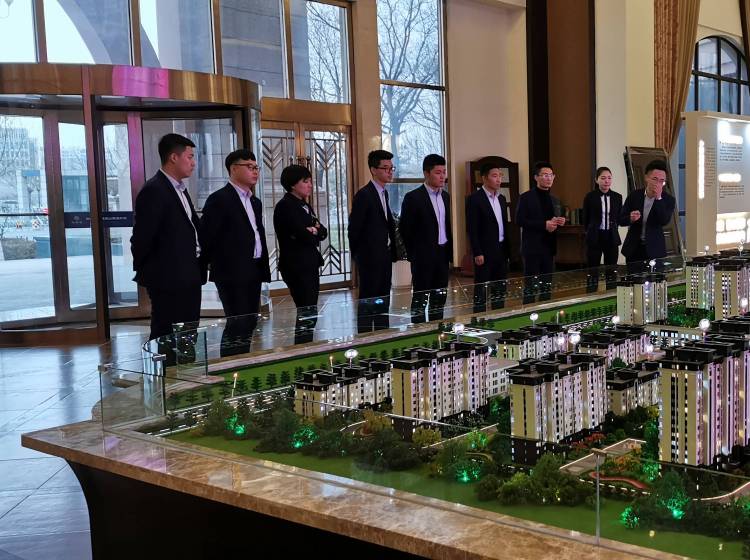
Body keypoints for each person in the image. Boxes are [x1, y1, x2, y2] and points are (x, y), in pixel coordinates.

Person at [131, 133, 206, 350]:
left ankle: (186, 369)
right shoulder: (154, 190)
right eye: (190, 157)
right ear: (174, 157)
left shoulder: (179, 189)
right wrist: (152, 273)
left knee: (187, 332)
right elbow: (142, 238)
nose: (193, 163)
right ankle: (164, 370)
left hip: (189, 273)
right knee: (166, 334)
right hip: (168, 278)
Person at [200, 149, 271, 357]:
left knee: (250, 321)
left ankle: (243, 361)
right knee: (237, 322)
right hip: (231, 273)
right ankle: (230, 364)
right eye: (249, 167)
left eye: (256, 167)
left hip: (253, 269)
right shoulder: (219, 199)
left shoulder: (254, 202)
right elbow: (208, 237)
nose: (255, 171)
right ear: (233, 169)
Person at [273, 165, 328, 344]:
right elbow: (303, 235)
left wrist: (314, 230)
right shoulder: (285, 206)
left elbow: (323, 232)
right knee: (306, 310)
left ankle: (306, 344)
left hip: (309, 263)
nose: (310, 185)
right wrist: (312, 231)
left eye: (310, 181)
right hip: (296, 265)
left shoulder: (304, 204)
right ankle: (302, 346)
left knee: (310, 309)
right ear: (292, 184)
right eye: (305, 181)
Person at [348, 150, 397, 333]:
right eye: (385, 168)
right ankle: (366, 336)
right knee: (368, 299)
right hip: (369, 258)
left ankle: (383, 333)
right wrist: (359, 256)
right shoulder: (364, 195)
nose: (389, 172)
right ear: (373, 170)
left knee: (383, 298)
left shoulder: (384, 193)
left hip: (384, 255)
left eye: (391, 168)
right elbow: (354, 229)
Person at [399, 154, 452, 323]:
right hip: (422, 257)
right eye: (438, 172)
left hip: (442, 254)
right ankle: (419, 331)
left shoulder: (445, 196)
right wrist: (415, 254)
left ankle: (437, 328)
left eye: (444, 172)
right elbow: (405, 229)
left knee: (439, 297)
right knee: (421, 298)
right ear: (426, 173)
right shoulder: (413, 198)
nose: (442, 176)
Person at [516, 161, 565, 303]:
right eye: (544, 175)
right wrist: (544, 224)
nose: (548, 178)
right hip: (532, 247)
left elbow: (553, 220)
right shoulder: (526, 197)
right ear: (536, 177)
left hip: (549, 247)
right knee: (530, 285)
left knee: (546, 286)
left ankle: (544, 309)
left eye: (551, 175)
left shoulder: (554, 199)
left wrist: (559, 221)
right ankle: (528, 311)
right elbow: (519, 220)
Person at [466, 162, 510, 313]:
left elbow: (504, 225)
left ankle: (499, 316)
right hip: (484, 251)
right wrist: (477, 252)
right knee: (482, 289)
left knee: (500, 289)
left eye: (500, 176)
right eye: (494, 176)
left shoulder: (501, 198)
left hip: (501, 249)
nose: (498, 179)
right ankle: (479, 319)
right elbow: (472, 228)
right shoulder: (475, 199)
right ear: (484, 178)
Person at [619, 159, 676, 273]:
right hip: (634, 248)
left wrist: (658, 198)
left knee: (655, 280)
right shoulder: (634, 196)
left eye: (662, 181)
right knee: (633, 280)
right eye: (655, 179)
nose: (658, 183)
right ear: (646, 178)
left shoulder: (668, 200)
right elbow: (621, 220)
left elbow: (664, 220)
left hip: (655, 249)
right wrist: (630, 218)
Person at [582, 166, 622, 292]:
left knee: (611, 269)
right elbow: (585, 218)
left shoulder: (617, 197)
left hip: (611, 236)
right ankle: (591, 294)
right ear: (596, 180)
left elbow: (619, 217)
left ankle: (611, 294)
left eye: (609, 178)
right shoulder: (590, 197)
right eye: (603, 178)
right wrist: (589, 231)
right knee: (592, 269)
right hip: (595, 236)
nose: (606, 181)